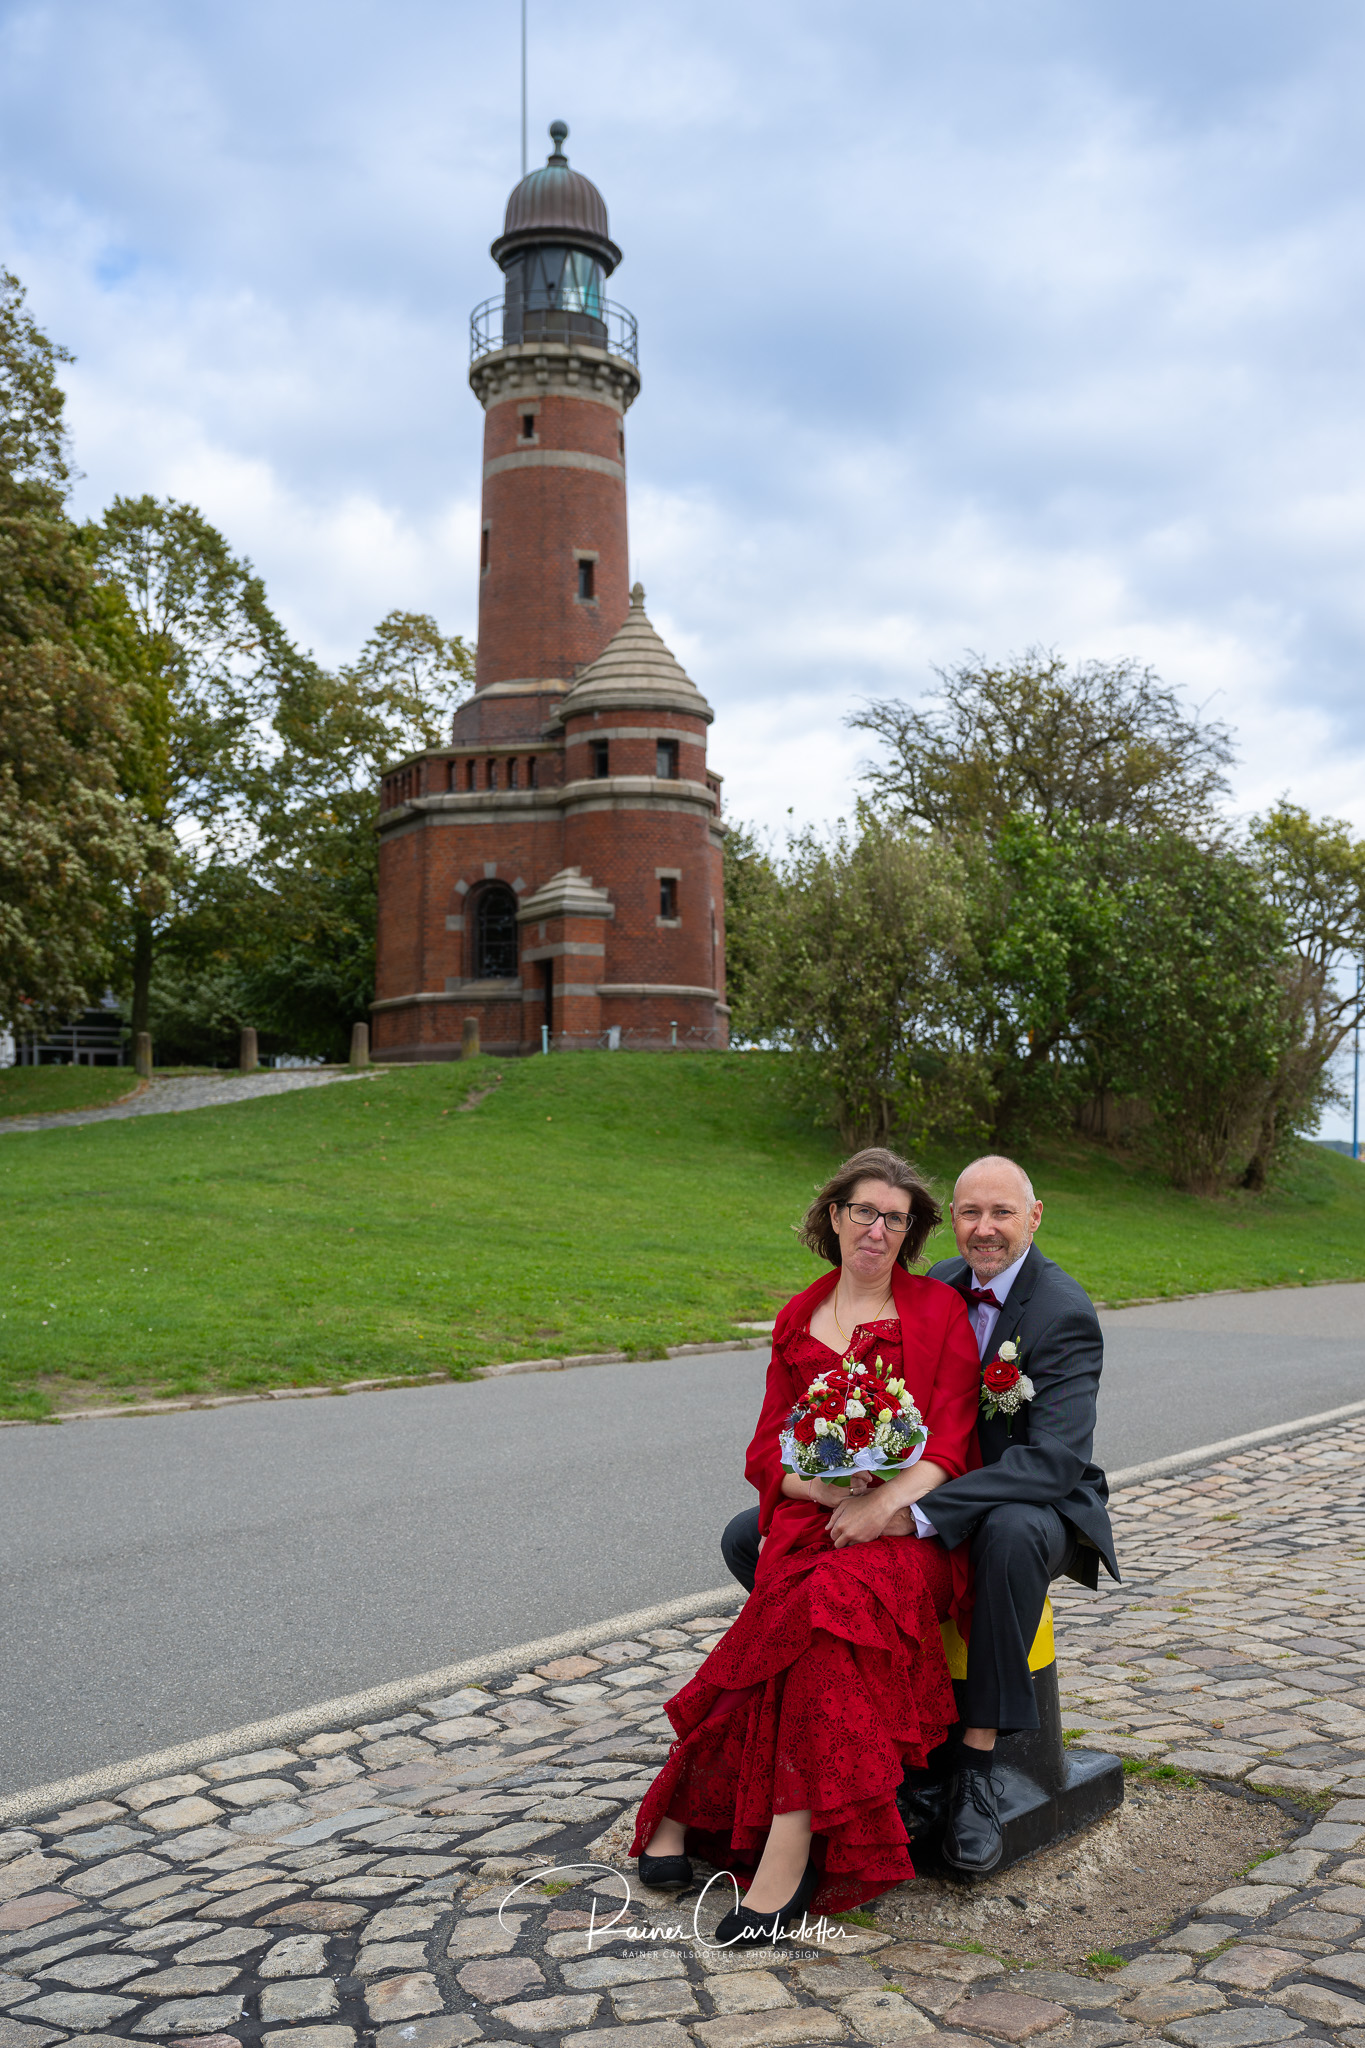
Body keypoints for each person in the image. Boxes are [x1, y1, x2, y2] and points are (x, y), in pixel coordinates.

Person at [723, 1151, 1118, 1879]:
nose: (985, 1228)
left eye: (1002, 1212)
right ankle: (866, 1724)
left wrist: (913, 1510)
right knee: (751, 1537)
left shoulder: (1061, 1310)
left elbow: (1053, 1461)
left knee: (1004, 1537)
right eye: (970, 1212)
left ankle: (975, 1771)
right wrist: (849, 1479)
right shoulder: (937, 1285)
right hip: (928, 1487)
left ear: (1033, 1217)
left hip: (1035, 1502)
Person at [631, 1147, 981, 1940]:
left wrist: (882, 1502)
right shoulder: (797, 1316)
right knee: (803, 1615)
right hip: (811, 1522)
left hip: (907, 1536)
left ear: (910, 1232)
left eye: (895, 1218)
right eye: (864, 1212)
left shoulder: (936, 1311)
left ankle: (777, 1858)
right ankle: (690, 1810)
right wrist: (822, 1492)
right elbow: (765, 1449)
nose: (877, 1230)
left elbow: (951, 1441)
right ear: (834, 1216)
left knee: (821, 1605)